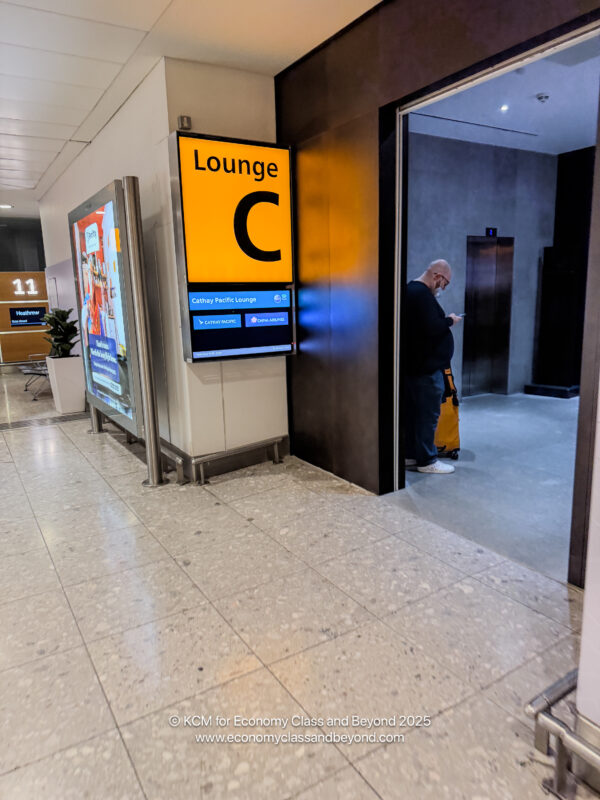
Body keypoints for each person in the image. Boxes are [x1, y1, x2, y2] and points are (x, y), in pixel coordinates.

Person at [404, 259, 462, 474]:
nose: (443, 288)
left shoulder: (410, 290)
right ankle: (427, 461)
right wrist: (450, 321)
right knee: (428, 416)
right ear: (438, 276)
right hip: (426, 369)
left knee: (414, 415)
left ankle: (411, 455)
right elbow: (431, 327)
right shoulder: (421, 295)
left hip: (415, 366)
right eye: (445, 283)